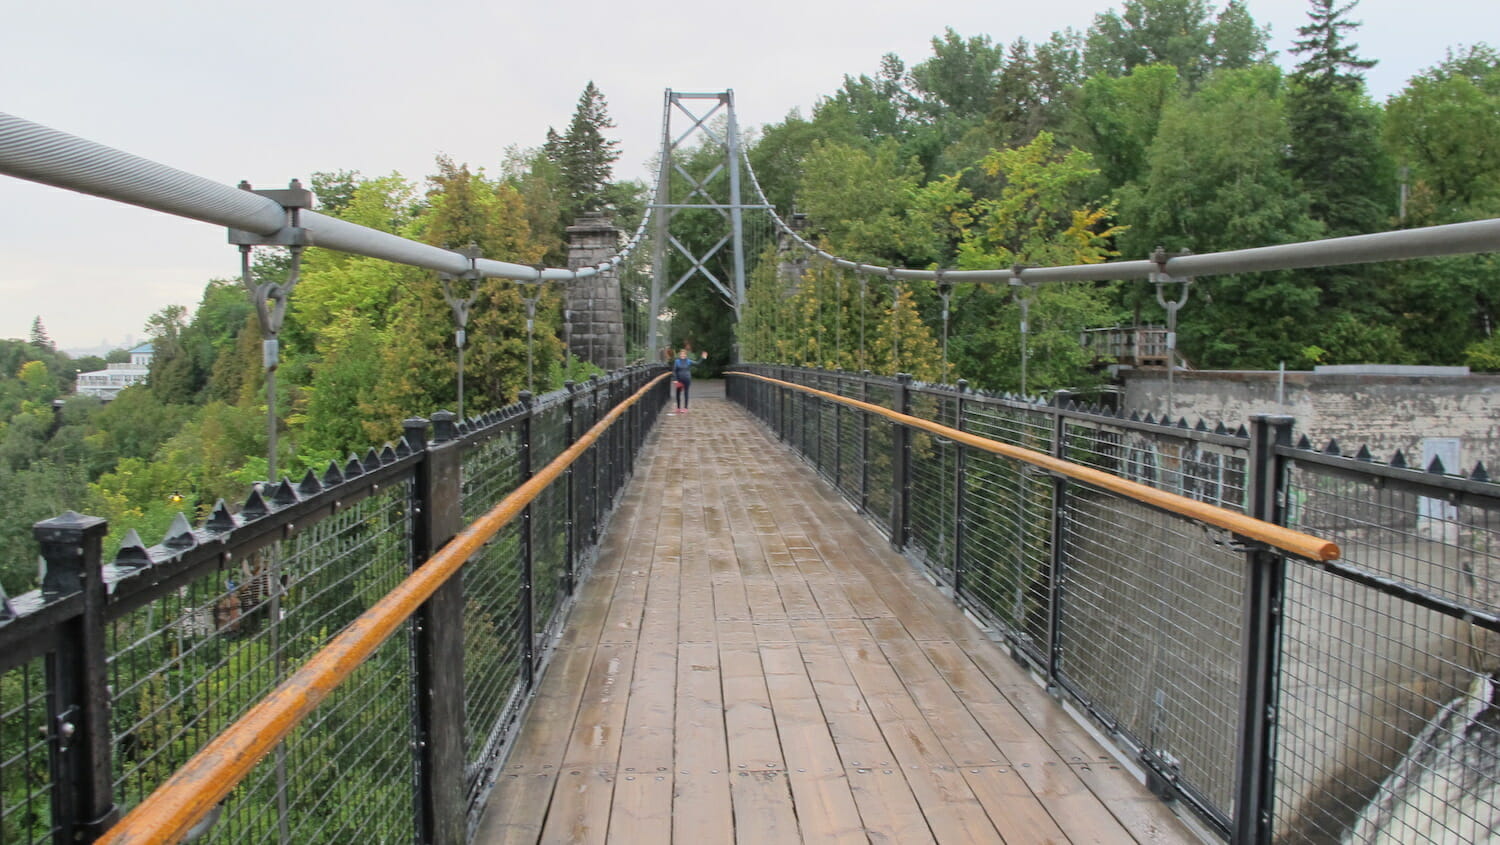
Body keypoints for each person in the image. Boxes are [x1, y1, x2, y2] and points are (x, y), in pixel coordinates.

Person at [672, 347, 705, 412]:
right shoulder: (677, 361)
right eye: (681, 354)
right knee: (678, 393)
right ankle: (678, 408)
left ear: (686, 355)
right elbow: (674, 371)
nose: (682, 355)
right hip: (679, 379)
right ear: (680, 355)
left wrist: (703, 358)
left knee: (686, 393)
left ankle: (685, 408)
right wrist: (675, 379)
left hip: (687, 379)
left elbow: (697, 363)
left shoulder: (688, 361)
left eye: (684, 354)